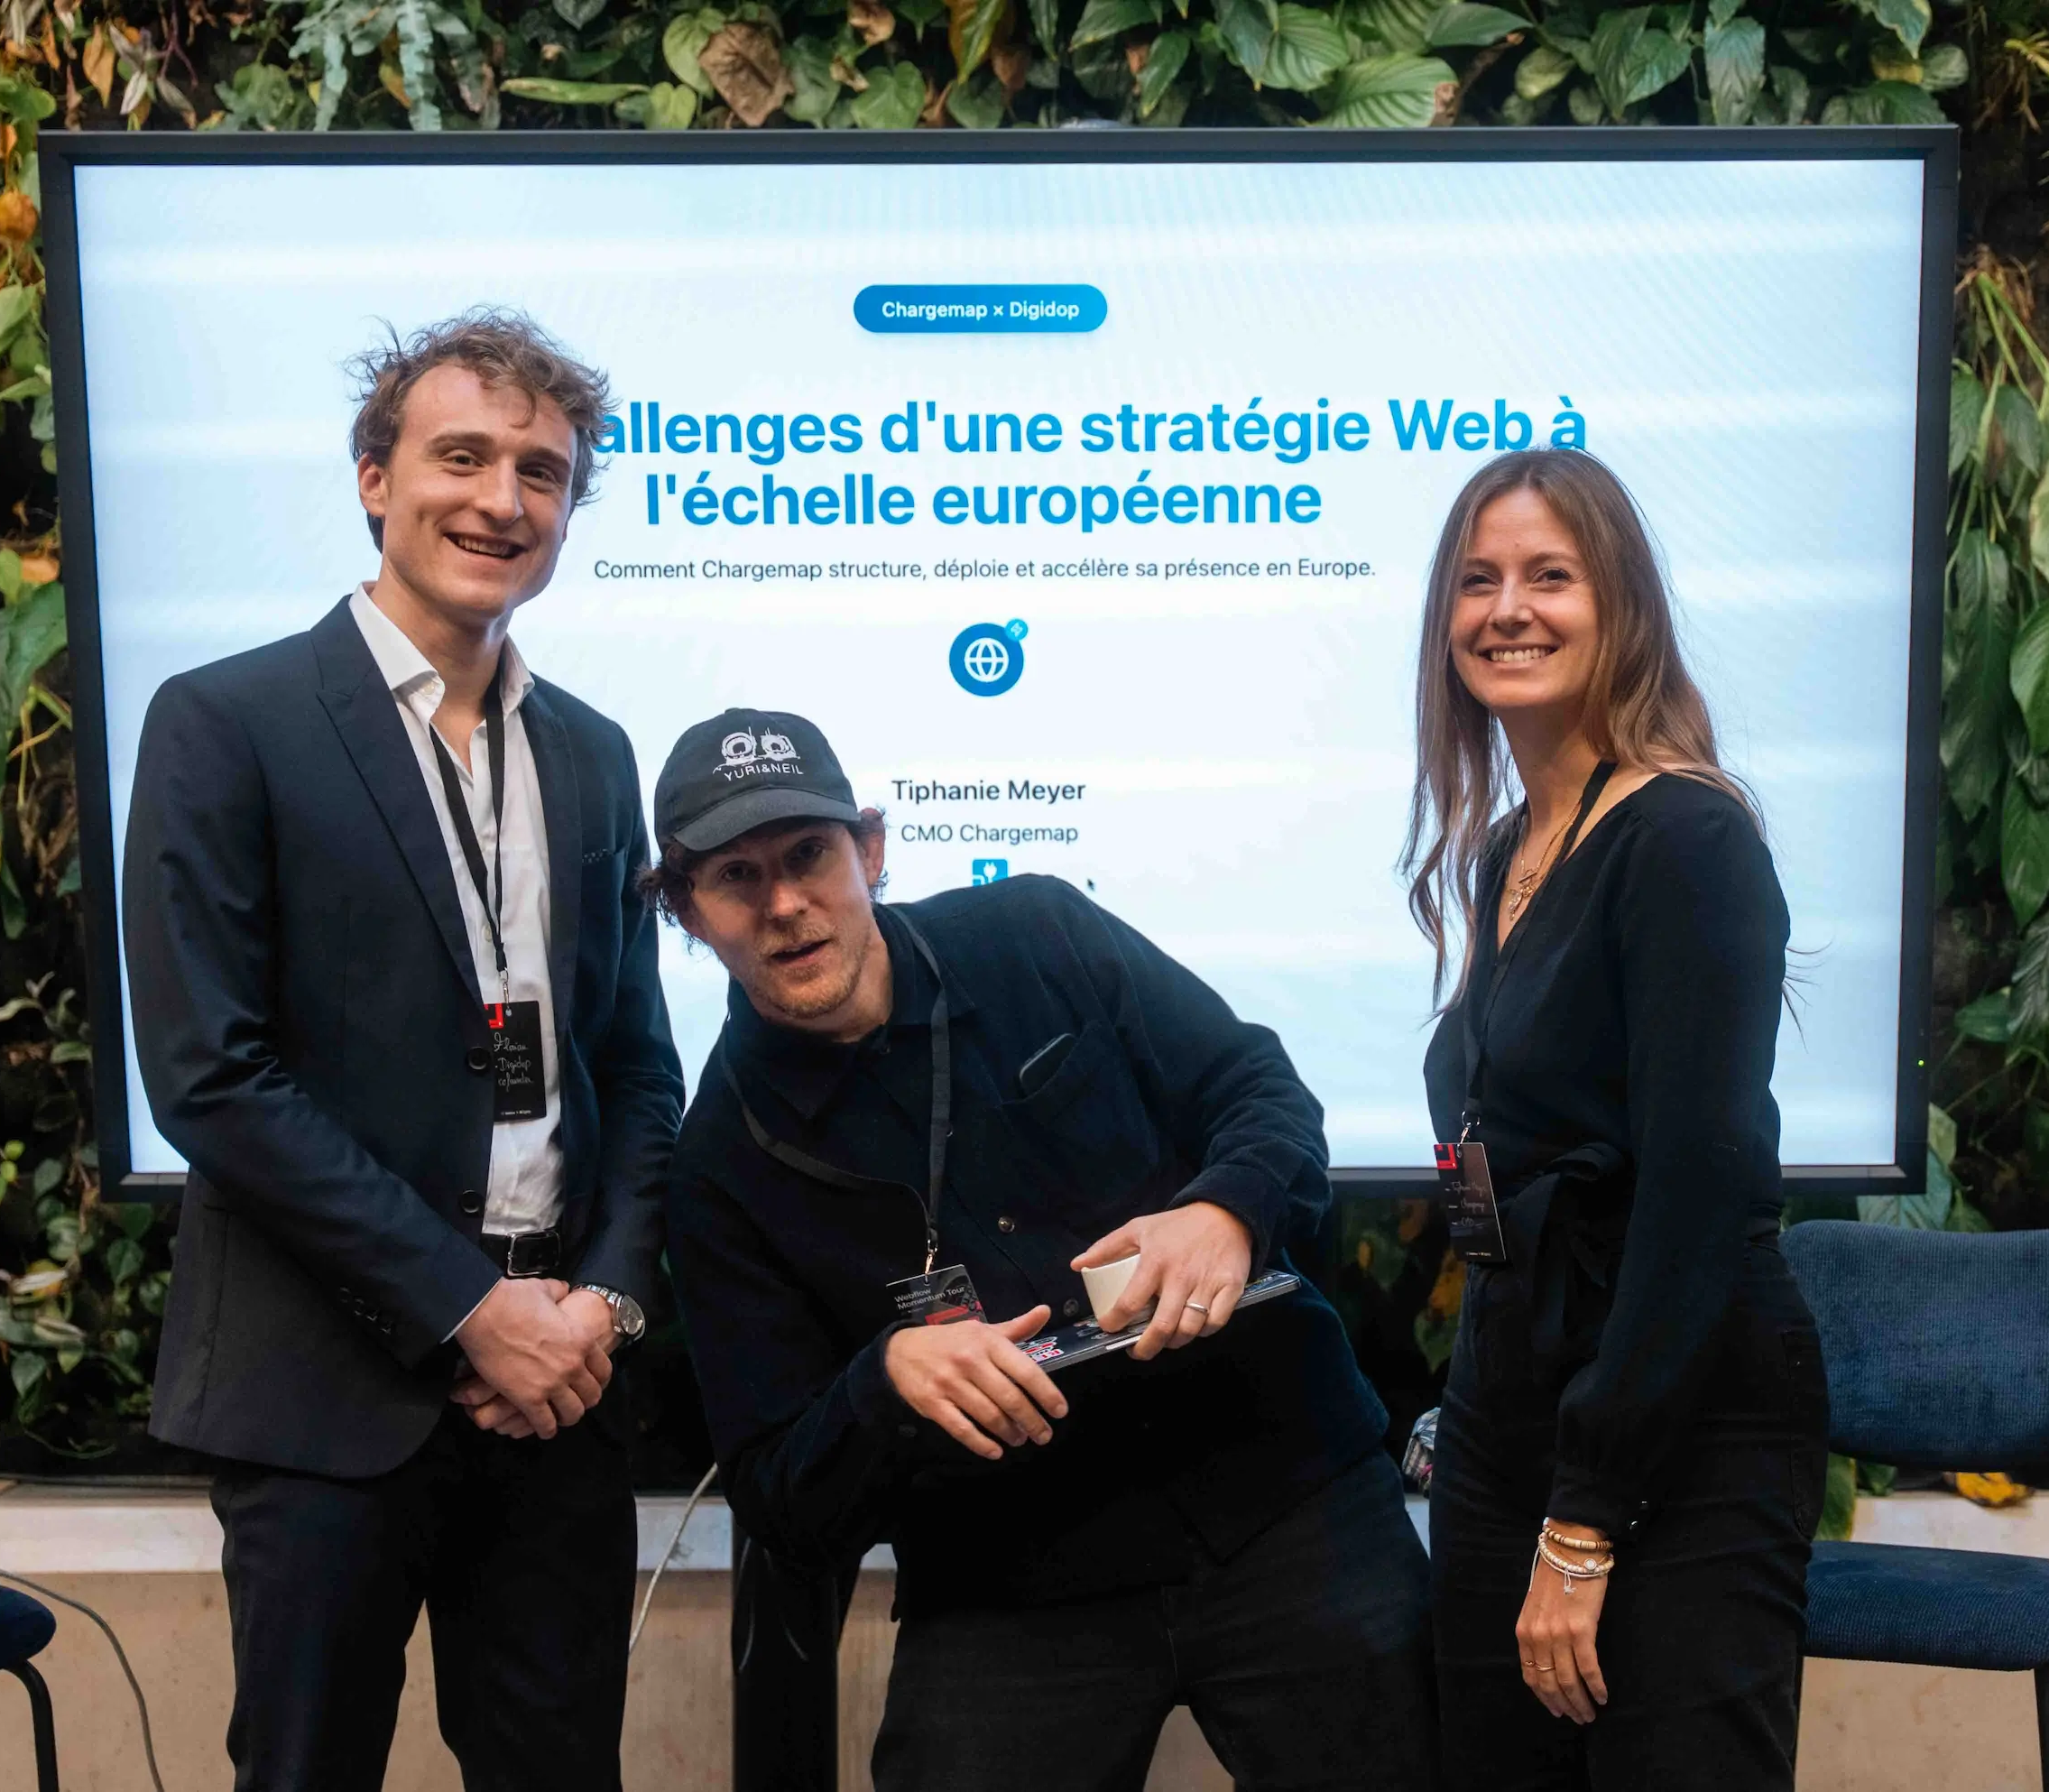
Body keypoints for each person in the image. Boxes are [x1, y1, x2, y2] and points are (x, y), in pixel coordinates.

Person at [651, 707, 1435, 1792]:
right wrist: (882, 1384)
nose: (785, 903)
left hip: (1286, 1499)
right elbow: (780, 1492)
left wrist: (1226, 1211)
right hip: (1013, 1582)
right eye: (737, 876)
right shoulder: (717, 1166)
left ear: (869, 850)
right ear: (686, 909)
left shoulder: (1039, 932)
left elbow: (1260, 1091)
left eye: (808, 855)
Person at [125, 309, 685, 1792]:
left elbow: (634, 1068)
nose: (502, 500)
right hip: (326, 1393)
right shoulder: (221, 723)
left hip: (556, 1394)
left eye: (542, 472)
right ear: (375, 477)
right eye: (461, 456)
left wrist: (598, 1313)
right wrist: (464, 1311)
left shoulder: (592, 753)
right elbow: (211, 1074)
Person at [1403, 450, 1826, 1789]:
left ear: (1619, 607)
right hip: (1509, 1409)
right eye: (1475, 580)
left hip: (1679, 1414)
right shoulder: (1502, 849)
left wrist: (1583, 1518)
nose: (1505, 609)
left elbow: (1697, 1198)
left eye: (1547, 575)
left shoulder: (1685, 840)